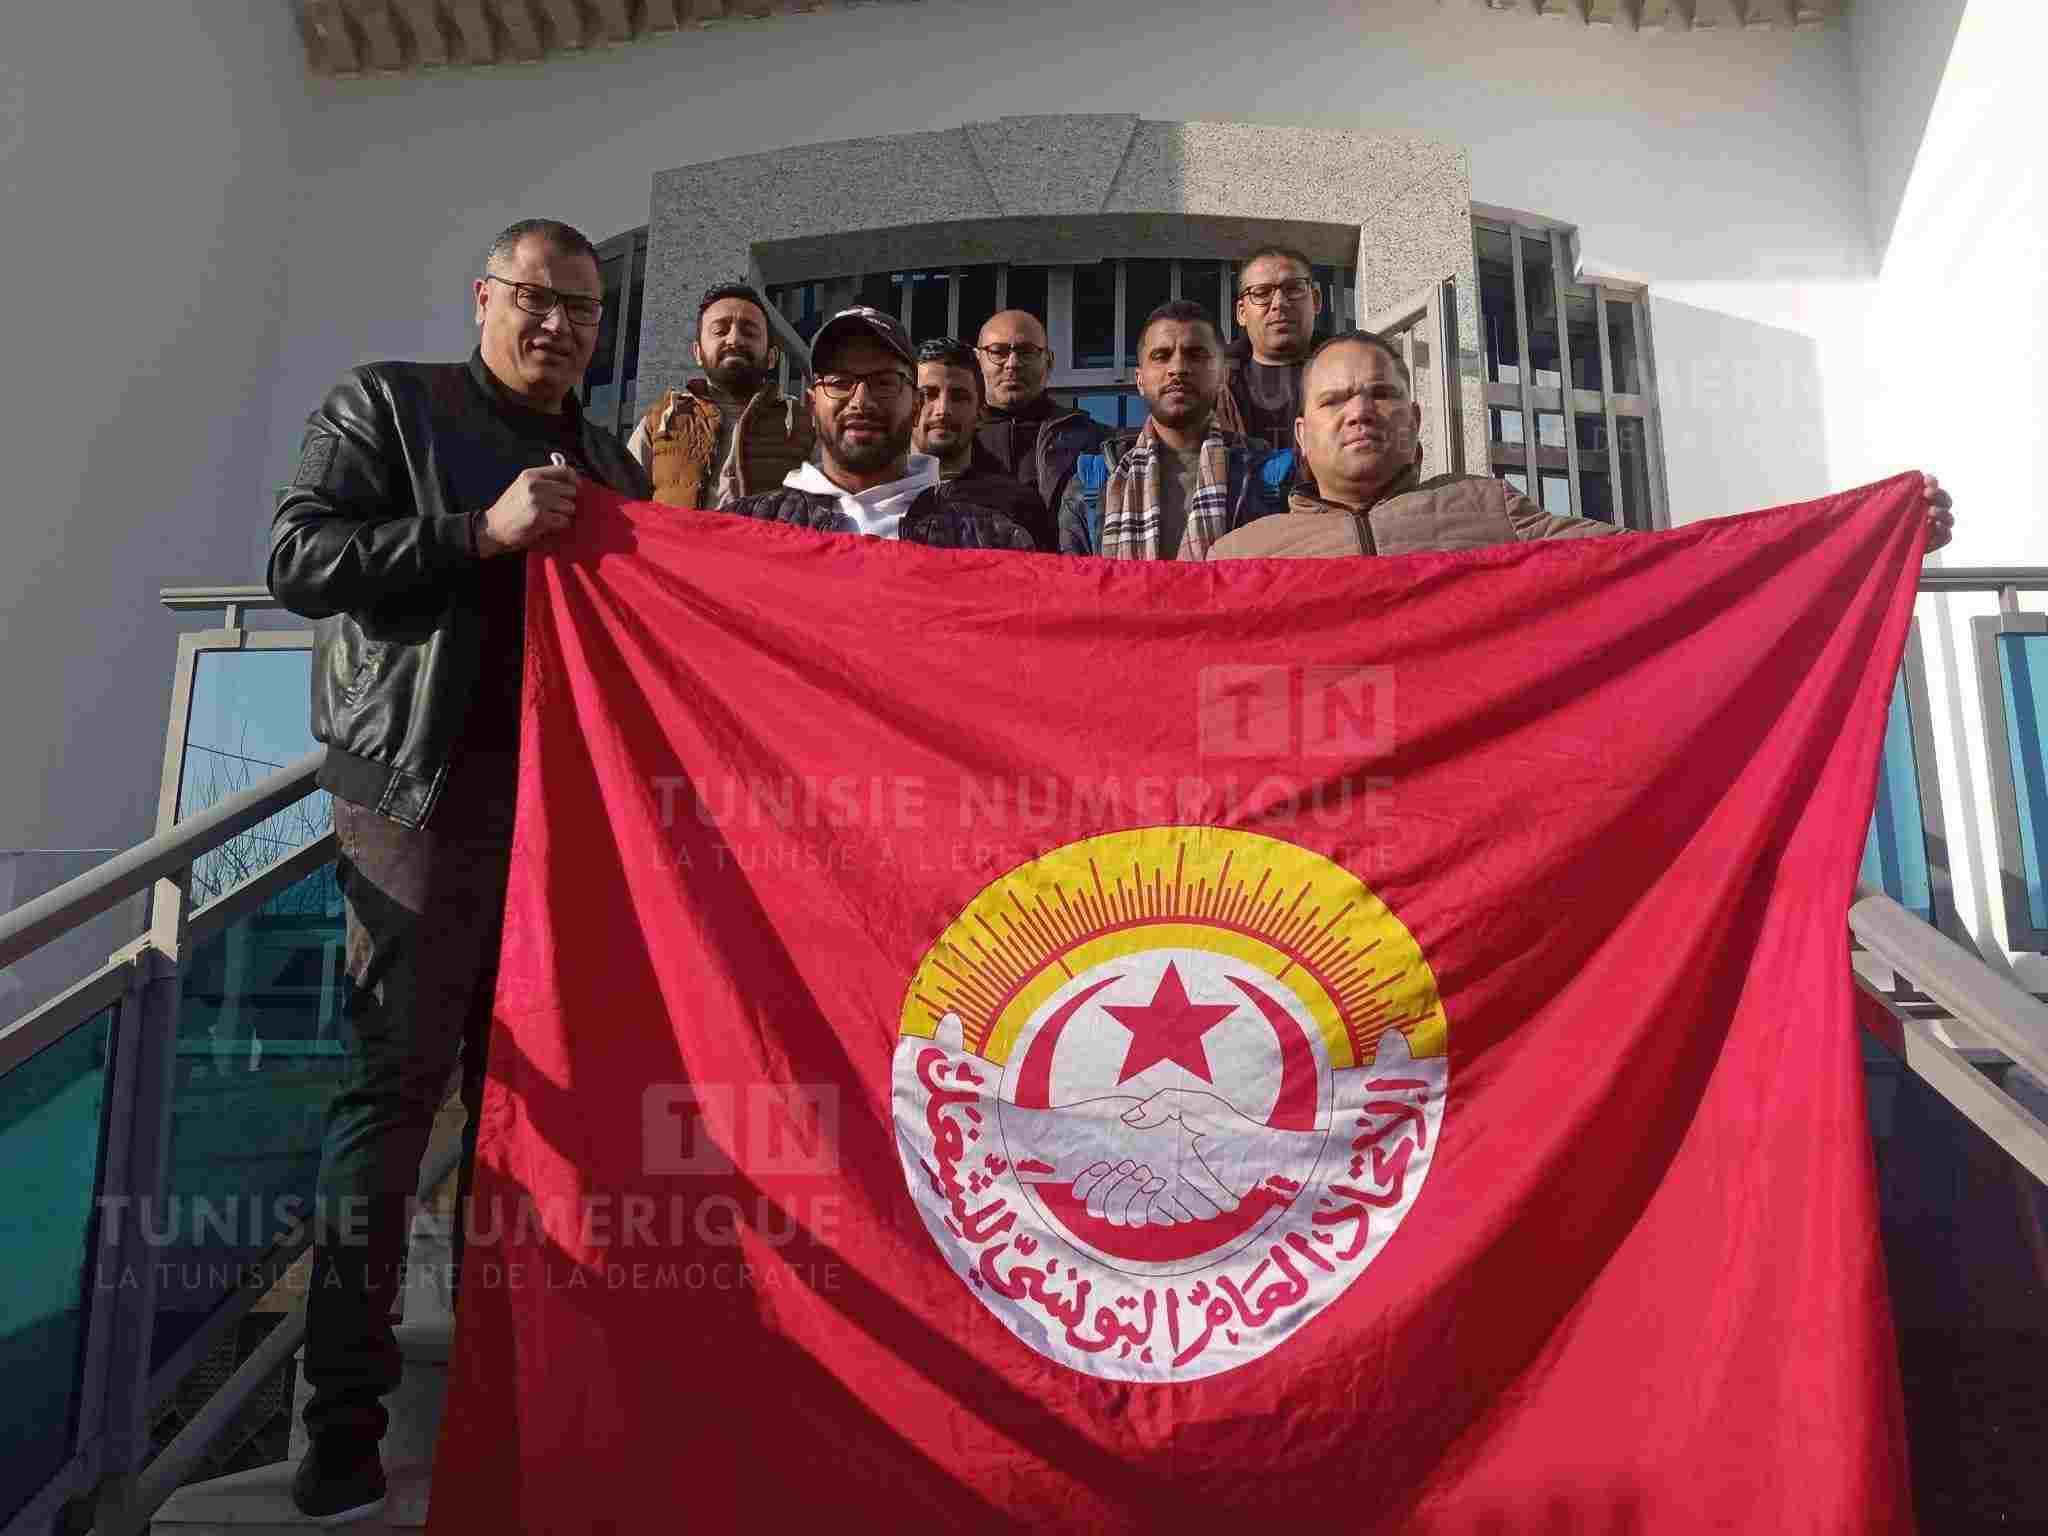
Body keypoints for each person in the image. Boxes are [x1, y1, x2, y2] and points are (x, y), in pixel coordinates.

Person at [268, 218, 649, 1523]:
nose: (557, 327)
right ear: (484, 297)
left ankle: (514, 1398)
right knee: (395, 1097)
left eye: (584, 311)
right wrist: (475, 533)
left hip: (567, 825)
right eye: (535, 300)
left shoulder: (601, 453)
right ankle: (343, 1423)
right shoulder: (389, 403)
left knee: (532, 1132)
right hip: (418, 801)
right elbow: (298, 561)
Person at [1208, 328, 1958, 559]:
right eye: (1336, 400)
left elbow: (1657, 570)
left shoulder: (1488, 510)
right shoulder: (1240, 558)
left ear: (1415, 420)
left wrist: (1863, 544)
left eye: (1381, 394)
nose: (1360, 412)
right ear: (1302, 434)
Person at [724, 308, 1038, 548]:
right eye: (839, 382)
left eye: (884, 382)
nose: (861, 400)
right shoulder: (740, 531)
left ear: (915, 405)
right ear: (811, 405)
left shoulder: (994, 540)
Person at [1057, 300, 1289, 559]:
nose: (1177, 369)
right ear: (1140, 380)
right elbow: (1075, 592)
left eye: (1195, 354)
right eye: (1161, 356)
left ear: (1223, 375)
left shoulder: (1270, 479)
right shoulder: (1090, 485)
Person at [628, 282, 813, 507]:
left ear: (772, 357)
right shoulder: (660, 421)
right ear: (698, 352)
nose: (734, 340)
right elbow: (623, 507)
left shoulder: (805, 426)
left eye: (750, 332)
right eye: (719, 331)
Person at [913, 337, 1053, 549]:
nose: (943, 410)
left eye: (959, 397)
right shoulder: (873, 495)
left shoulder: (1020, 506)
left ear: (981, 414)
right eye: (927, 395)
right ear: (906, 405)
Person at [972, 308, 1108, 521]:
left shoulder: (1094, 442)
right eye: (998, 352)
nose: (1012, 363)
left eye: (1026, 352)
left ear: (1049, 361)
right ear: (977, 361)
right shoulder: (956, 438)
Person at [1214, 245, 1322, 457]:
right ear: (1242, 313)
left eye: (1293, 289)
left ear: (1316, 300)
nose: (1279, 303)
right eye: (1262, 293)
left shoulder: (1356, 373)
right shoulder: (1210, 387)